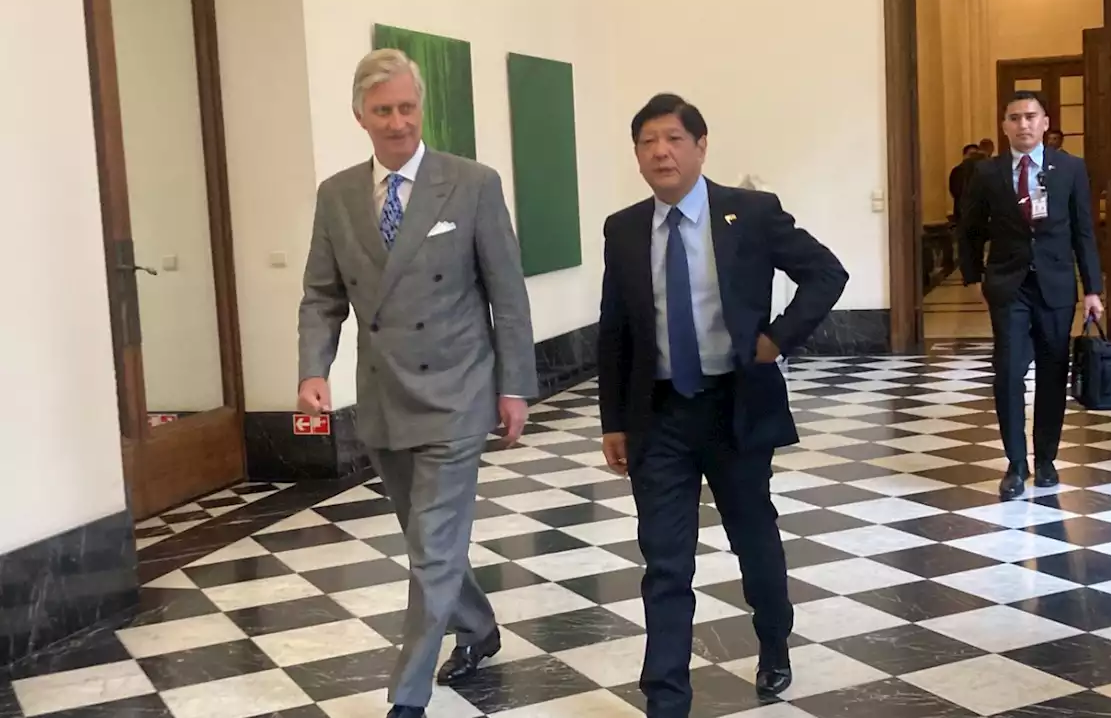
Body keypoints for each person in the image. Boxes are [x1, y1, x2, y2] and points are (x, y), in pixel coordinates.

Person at [295, 48, 537, 718]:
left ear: (420, 107)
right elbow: (321, 294)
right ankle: (480, 628)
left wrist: (514, 386)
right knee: (426, 540)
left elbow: (507, 295)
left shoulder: (472, 184)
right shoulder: (338, 195)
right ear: (359, 116)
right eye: (383, 111)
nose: (397, 122)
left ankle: (407, 698)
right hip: (383, 398)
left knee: (432, 546)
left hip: (458, 391)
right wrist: (313, 368)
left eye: (407, 107)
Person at [596, 93, 849, 717]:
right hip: (659, 415)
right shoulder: (623, 228)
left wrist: (777, 339)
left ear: (701, 147)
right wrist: (612, 423)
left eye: (675, 139)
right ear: (636, 154)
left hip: (735, 407)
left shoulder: (750, 214)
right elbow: (614, 330)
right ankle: (666, 699)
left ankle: (773, 641)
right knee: (664, 559)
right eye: (649, 141)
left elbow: (827, 273)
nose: (662, 151)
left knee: (754, 540)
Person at [957, 90, 1103, 502]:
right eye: (1014, 117)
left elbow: (1084, 231)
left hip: (1056, 287)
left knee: (1053, 374)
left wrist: (1093, 288)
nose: (1023, 124)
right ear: (1004, 125)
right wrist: (972, 278)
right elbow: (969, 229)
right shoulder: (987, 173)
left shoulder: (1070, 168)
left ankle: (1047, 460)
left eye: (1030, 116)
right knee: (1007, 373)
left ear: (1045, 123)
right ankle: (1015, 464)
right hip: (1009, 286)